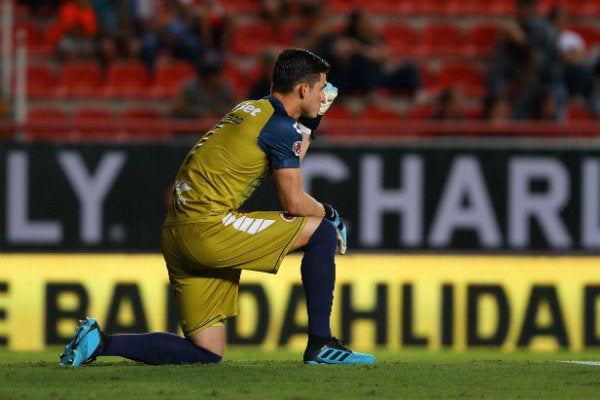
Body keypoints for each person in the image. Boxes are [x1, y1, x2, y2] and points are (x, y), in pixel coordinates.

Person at [59, 48, 375, 366]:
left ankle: (100, 342)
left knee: (206, 352)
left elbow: (288, 153)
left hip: (177, 233)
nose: (324, 96)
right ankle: (321, 344)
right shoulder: (279, 126)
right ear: (303, 89)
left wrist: (311, 121)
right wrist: (331, 215)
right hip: (209, 228)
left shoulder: (251, 109)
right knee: (321, 230)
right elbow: (293, 201)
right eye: (321, 88)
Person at [170, 61, 236, 119]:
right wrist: (198, 113)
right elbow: (178, 107)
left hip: (218, 125)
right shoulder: (190, 86)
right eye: (217, 77)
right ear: (207, 79)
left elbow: (236, 106)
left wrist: (217, 111)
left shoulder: (225, 87)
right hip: (192, 126)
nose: (221, 79)